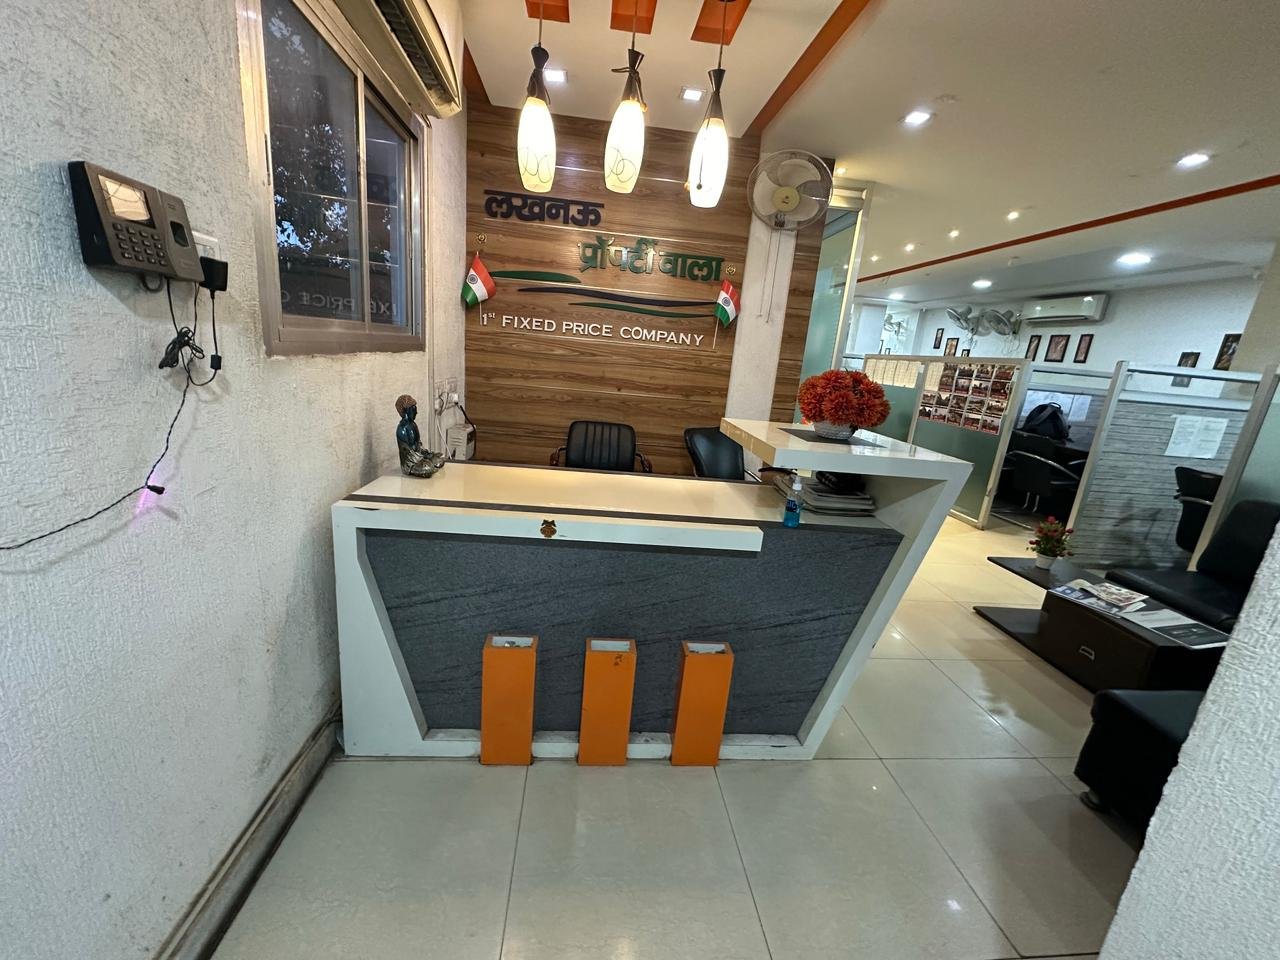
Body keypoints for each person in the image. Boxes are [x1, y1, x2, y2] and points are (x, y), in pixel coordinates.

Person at [394, 394, 445, 477]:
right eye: (414, 410)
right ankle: (424, 467)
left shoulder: (413, 425)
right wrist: (422, 459)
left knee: (440, 458)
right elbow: (408, 453)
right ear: (407, 410)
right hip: (411, 462)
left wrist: (427, 454)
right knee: (428, 467)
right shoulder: (402, 429)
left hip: (419, 456)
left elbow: (418, 446)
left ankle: (429, 464)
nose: (416, 412)